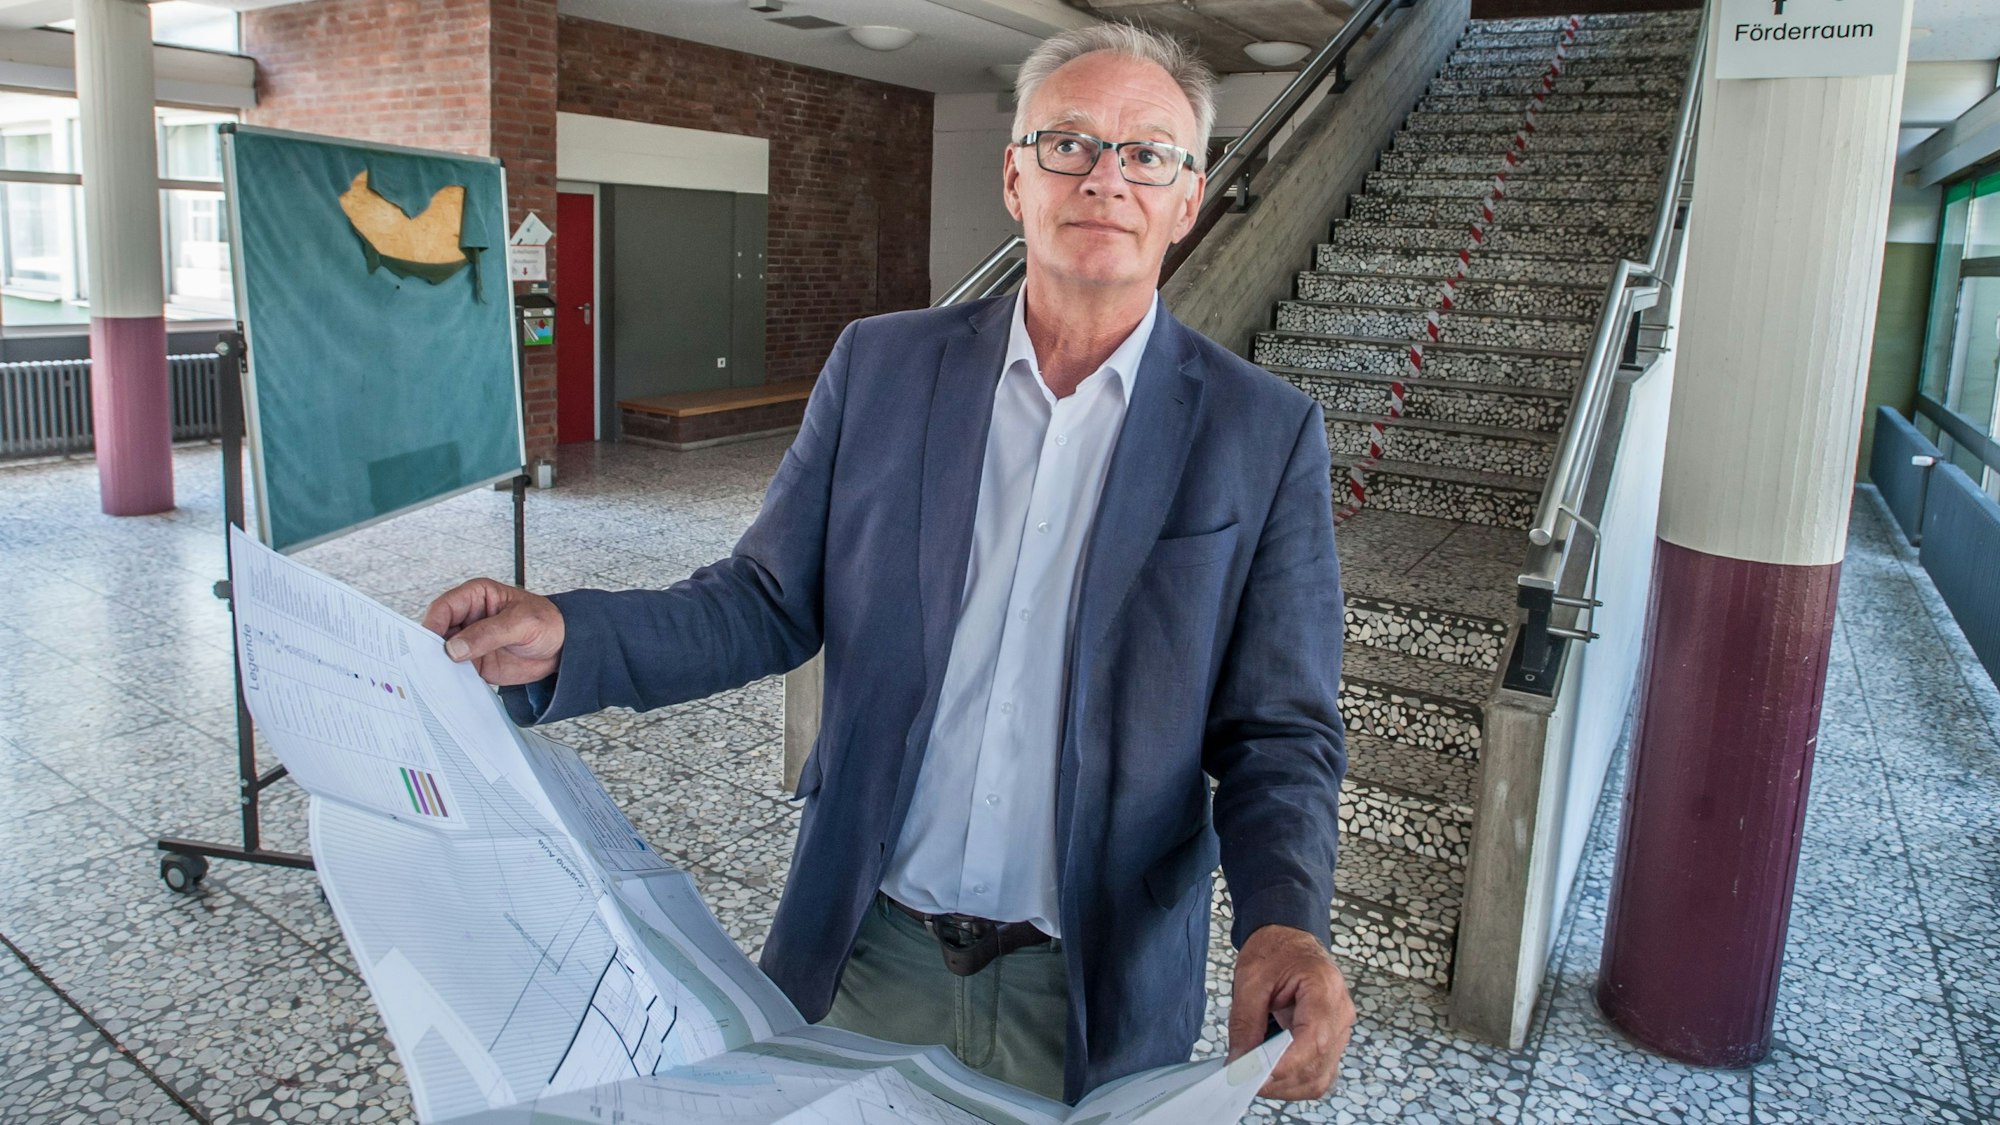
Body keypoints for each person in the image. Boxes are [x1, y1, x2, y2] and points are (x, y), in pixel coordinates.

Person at [422, 22, 1353, 1106]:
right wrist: (573, 637)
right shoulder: (883, 367)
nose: (1105, 177)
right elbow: (763, 601)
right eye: (1068, 144)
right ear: (1014, 175)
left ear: (1188, 199)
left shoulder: (1260, 431)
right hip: (865, 948)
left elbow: (1277, 730)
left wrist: (1285, 915)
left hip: (1091, 977)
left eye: (1148, 152)